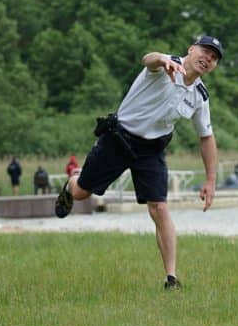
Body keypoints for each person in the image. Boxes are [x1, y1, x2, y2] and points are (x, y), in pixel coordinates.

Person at [55, 35, 223, 290]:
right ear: (191, 49)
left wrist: (211, 180)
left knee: (159, 207)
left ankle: (171, 278)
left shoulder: (200, 96)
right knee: (81, 193)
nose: (207, 59)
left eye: (213, 58)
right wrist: (163, 59)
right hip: (119, 139)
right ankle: (70, 184)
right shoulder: (164, 67)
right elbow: (149, 59)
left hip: (151, 150)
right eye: (205, 51)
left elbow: (206, 137)